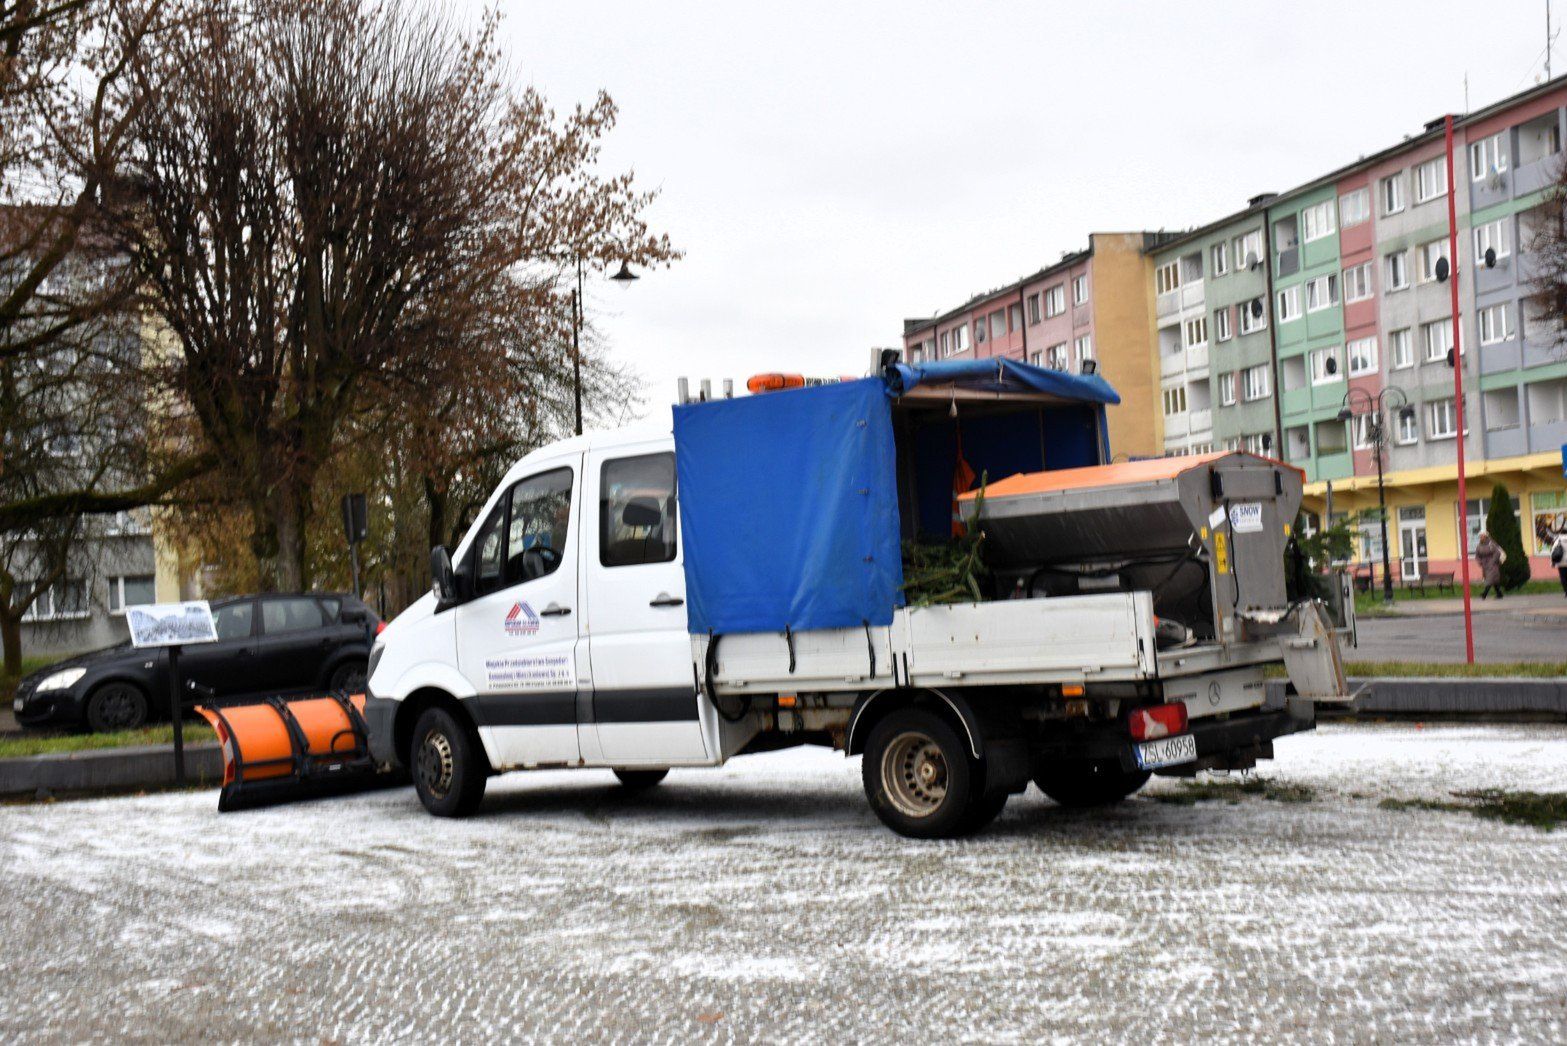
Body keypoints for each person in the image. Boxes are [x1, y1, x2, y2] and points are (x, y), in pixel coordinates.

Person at [1474, 529, 1506, 600]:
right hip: (1484, 565)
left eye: (1482, 536)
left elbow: (1497, 553)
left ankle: (1484, 594)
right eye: (1480, 536)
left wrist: (1492, 561)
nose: (1481, 537)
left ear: (1486, 536)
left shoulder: (1491, 544)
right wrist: (1479, 562)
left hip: (1492, 564)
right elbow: (1477, 555)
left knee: (1490, 578)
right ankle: (1499, 594)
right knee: (1494, 580)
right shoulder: (1479, 546)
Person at [1551, 527, 1567, 598]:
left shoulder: (1558, 541)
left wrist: (1552, 563)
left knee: (1563, 578)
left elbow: (1553, 552)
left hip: (1561, 563)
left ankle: (1566, 591)